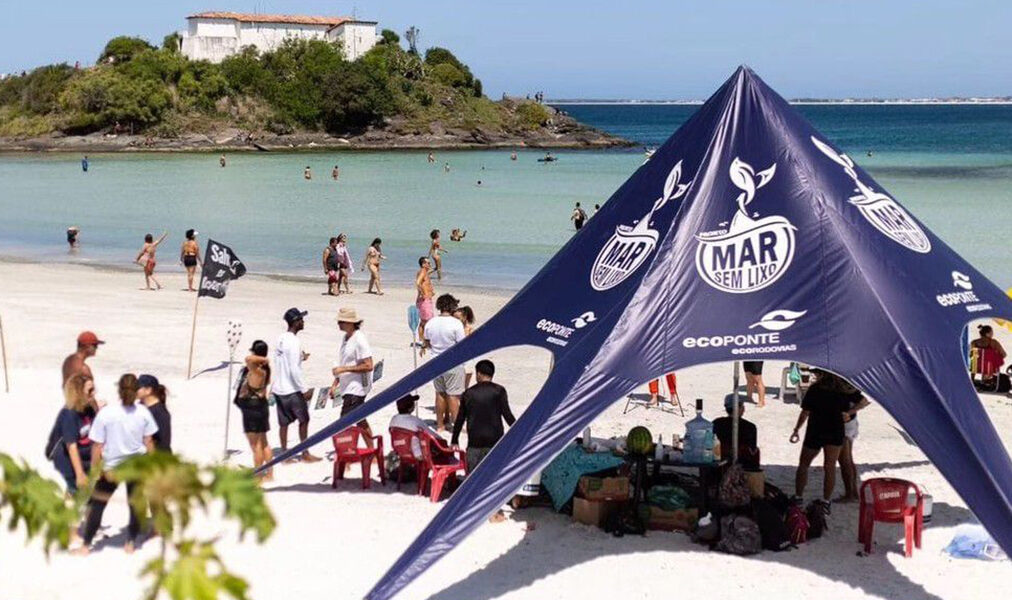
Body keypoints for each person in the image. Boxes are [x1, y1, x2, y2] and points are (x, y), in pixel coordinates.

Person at [75, 374, 157, 555]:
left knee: (97, 505)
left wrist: (97, 469)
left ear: (119, 390)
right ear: (136, 392)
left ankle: (86, 545)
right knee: (136, 504)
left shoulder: (107, 413)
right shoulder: (143, 412)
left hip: (112, 467)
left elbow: (97, 445)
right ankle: (130, 543)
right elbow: (149, 441)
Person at [790, 370, 863, 513]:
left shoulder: (815, 389)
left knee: (804, 464)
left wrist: (796, 429)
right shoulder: (842, 390)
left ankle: (798, 497)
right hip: (835, 431)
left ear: (821, 375)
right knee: (829, 467)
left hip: (815, 430)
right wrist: (850, 412)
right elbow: (863, 401)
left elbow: (805, 412)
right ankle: (826, 501)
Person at [451, 360, 515, 521]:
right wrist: (518, 432)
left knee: (473, 478)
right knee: (493, 478)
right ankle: (494, 512)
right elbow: (507, 415)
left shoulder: (469, 393)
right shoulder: (499, 391)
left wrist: (454, 439)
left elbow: (459, 419)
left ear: (479, 373)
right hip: (495, 442)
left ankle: (473, 512)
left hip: (475, 442)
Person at [271, 308, 320, 462]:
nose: (303, 322)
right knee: (304, 420)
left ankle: (285, 455)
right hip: (291, 389)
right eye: (301, 320)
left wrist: (301, 357)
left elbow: (283, 359)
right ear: (296, 322)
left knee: (284, 423)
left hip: (279, 387)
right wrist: (304, 390)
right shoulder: (294, 341)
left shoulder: (281, 338)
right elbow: (293, 369)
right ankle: (305, 453)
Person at [330, 308, 375, 447]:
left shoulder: (359, 339)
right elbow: (345, 362)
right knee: (360, 420)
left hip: (357, 388)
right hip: (347, 387)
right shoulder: (346, 338)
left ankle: (347, 455)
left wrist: (344, 369)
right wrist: (335, 383)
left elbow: (369, 365)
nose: (339, 323)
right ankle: (372, 450)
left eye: (341, 321)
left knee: (344, 422)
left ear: (350, 323)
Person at [47, 373, 97, 494]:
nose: (94, 393)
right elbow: (72, 447)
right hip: (68, 463)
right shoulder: (69, 414)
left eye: (94, 389)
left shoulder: (88, 408)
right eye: (90, 390)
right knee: (76, 495)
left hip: (85, 459)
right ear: (79, 393)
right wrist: (79, 474)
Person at [423, 294, 466, 431]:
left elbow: (427, 341)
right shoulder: (456, 323)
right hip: (452, 362)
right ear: (452, 306)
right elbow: (462, 344)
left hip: (436, 362)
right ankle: (457, 426)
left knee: (440, 394)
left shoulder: (431, 322)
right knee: (453, 396)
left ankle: (440, 425)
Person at [236, 340, 273, 479]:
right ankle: (269, 474)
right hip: (261, 406)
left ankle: (258, 475)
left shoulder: (257, 369)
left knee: (255, 444)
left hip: (252, 407)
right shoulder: (266, 369)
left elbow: (248, 359)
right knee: (264, 442)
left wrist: (263, 358)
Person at [838, 390, 870, 502]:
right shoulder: (847, 386)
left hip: (845, 426)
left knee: (844, 460)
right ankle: (854, 492)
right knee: (848, 459)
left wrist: (848, 412)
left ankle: (849, 494)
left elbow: (864, 401)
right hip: (851, 423)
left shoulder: (844, 386)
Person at [712, 395, 759, 469]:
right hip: (742, 468)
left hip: (716, 466)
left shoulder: (716, 423)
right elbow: (752, 451)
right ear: (740, 408)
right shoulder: (750, 427)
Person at [389, 394, 438, 460]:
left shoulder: (393, 419)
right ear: (411, 408)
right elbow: (431, 435)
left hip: (400, 452)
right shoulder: (416, 421)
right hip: (417, 454)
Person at [137, 374, 171, 453]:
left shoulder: (160, 413)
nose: (134, 390)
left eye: (137, 388)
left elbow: (163, 443)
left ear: (148, 390)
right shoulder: (139, 407)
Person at [453, 305, 476, 388]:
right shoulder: (453, 330)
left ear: (465, 317)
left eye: (458, 318)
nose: (456, 321)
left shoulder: (470, 330)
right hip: (456, 361)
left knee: (465, 387)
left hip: (467, 360)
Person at [415, 256, 435, 338]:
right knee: (427, 321)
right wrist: (423, 293)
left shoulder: (424, 272)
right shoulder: (423, 271)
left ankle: (421, 339)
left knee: (423, 321)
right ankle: (424, 339)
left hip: (425, 299)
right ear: (423, 264)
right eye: (428, 263)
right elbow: (417, 283)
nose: (430, 264)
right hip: (424, 300)